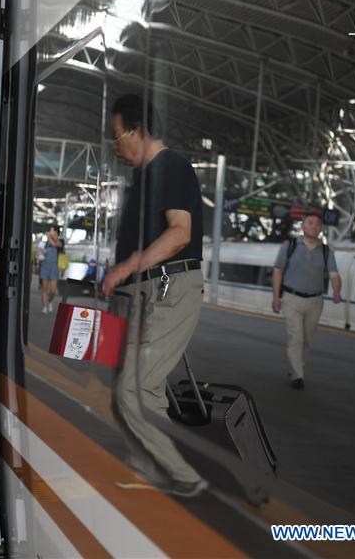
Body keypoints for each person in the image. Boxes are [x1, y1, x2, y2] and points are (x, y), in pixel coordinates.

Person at [101, 93, 206, 497]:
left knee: (137, 386)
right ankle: (149, 469)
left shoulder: (172, 166)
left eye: (117, 136)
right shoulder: (143, 178)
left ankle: (181, 474)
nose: (115, 145)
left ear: (139, 131)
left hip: (170, 288)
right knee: (132, 389)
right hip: (143, 293)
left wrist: (126, 267)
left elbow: (180, 234)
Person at [271, 214, 342, 389]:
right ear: (303, 227)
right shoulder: (290, 246)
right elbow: (277, 271)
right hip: (291, 298)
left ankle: (296, 367)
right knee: (296, 336)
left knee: (307, 339)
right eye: (310, 223)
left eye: (318, 224)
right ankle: (297, 376)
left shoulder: (326, 252)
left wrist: (337, 291)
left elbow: (334, 275)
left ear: (321, 229)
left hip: (315, 301)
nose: (314, 226)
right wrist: (275, 297)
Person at [39, 225, 62, 314]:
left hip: (54, 268)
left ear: (56, 233)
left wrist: (49, 236)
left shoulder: (60, 242)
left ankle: (50, 301)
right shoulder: (44, 243)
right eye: (50, 231)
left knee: (53, 291)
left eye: (53, 231)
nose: (51, 232)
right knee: (44, 289)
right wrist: (40, 253)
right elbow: (40, 253)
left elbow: (55, 244)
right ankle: (44, 306)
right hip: (45, 266)